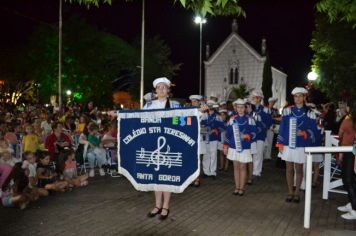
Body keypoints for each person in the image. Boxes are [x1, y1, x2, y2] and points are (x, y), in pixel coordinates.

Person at [144, 77, 180, 220]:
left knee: (167, 176)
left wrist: (199, 112)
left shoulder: (175, 105)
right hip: (153, 144)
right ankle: (157, 205)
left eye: (164, 87)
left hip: (169, 144)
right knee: (156, 176)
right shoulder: (148, 106)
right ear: (155, 90)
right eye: (159, 88)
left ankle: (166, 206)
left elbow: (180, 121)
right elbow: (140, 121)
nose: (161, 90)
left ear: (168, 90)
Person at [276, 87, 318, 203]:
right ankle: (290, 191)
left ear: (304, 97)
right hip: (288, 145)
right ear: (293, 98)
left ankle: (297, 192)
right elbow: (282, 128)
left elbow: (314, 131)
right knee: (289, 169)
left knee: (299, 169)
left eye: (300, 96)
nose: (298, 98)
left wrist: (304, 133)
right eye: (295, 96)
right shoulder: (287, 111)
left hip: (301, 145)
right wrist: (280, 143)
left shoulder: (310, 113)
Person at [224, 99, 256, 196]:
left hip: (245, 147)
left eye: (242, 107)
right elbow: (228, 134)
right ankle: (236, 187)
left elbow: (254, 133)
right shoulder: (232, 119)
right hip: (233, 146)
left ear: (245, 108)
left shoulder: (250, 119)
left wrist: (247, 136)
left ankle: (242, 188)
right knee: (235, 167)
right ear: (236, 108)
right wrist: (225, 146)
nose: (240, 109)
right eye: (238, 107)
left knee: (242, 167)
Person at [337, 102, 356, 220]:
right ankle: (352, 204)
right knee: (351, 181)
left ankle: (354, 209)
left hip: (349, 152)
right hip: (351, 152)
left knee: (347, 180)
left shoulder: (347, 121)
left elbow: (339, 134)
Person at [250, 90, 272, 177]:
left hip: (260, 134)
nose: (254, 99)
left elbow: (269, 122)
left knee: (258, 153)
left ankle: (256, 171)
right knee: (251, 153)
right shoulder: (250, 108)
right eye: (254, 97)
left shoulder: (265, 109)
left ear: (260, 99)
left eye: (256, 97)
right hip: (251, 135)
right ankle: (251, 170)